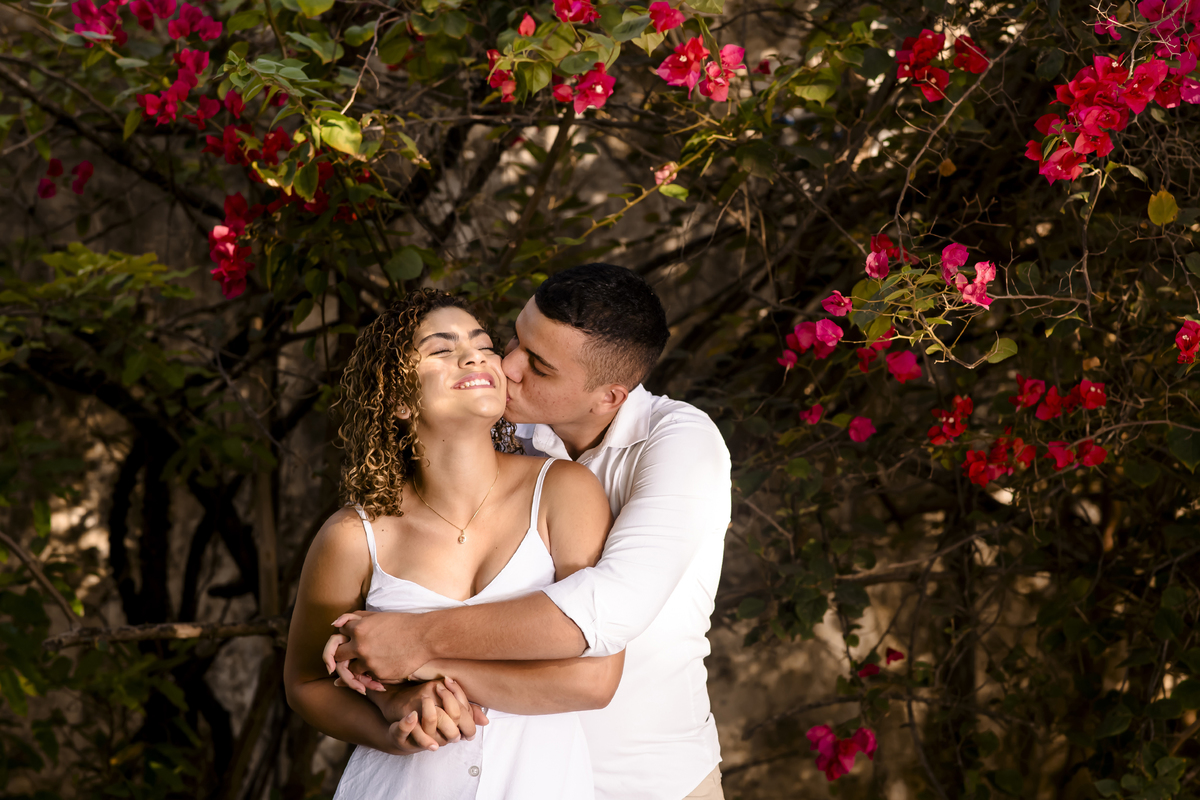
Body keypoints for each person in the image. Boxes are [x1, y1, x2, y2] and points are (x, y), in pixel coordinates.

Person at [329, 264, 733, 800]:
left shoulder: (680, 444)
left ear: (609, 397)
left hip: (646, 782)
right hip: (507, 777)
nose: (508, 366)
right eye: (514, 340)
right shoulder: (501, 431)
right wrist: (389, 686)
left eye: (538, 366)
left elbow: (606, 611)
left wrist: (415, 647)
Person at [283, 288, 624, 800]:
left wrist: (411, 663)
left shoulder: (563, 491)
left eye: (484, 346)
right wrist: (391, 720)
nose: (474, 357)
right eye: (442, 350)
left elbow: (593, 683)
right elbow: (306, 684)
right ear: (397, 399)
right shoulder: (353, 536)